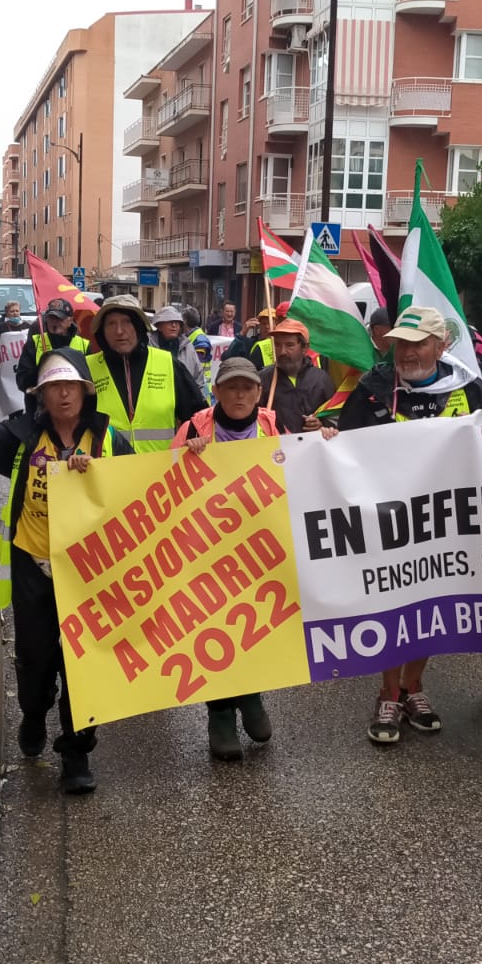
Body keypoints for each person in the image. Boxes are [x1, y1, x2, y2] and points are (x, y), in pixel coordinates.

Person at [0, 343, 131, 794]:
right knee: (36, 658)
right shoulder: (21, 439)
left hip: (91, 575)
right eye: (53, 387)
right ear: (40, 394)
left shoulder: (112, 441)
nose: (63, 395)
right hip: (33, 567)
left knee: (84, 663)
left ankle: (77, 752)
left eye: (70, 386)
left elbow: (145, 493)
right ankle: (35, 711)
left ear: (85, 391)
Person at [337, 306, 482, 745]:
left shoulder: (469, 388)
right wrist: (328, 441)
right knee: (394, 607)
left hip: (447, 525)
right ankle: (388, 692)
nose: (406, 352)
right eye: (402, 343)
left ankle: (413, 687)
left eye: (417, 343)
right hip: (389, 523)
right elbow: (343, 450)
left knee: (430, 610)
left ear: (441, 346)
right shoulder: (372, 390)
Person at [170, 356, 282, 761]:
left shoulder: (271, 424)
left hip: (258, 549)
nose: (239, 394)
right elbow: (163, 487)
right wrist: (186, 454)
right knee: (213, 633)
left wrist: (320, 439)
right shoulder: (194, 428)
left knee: (251, 626)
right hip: (207, 553)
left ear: (257, 392)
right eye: (231, 387)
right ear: (215, 391)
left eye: (247, 388)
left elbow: (298, 468)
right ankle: (219, 715)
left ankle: (250, 696)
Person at [87, 293, 207, 451]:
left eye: (127, 322)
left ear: (139, 326)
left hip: (162, 472)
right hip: (107, 473)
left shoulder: (168, 364)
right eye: (111, 323)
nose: (119, 331)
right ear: (102, 331)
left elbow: (200, 418)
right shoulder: (87, 368)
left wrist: (195, 440)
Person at [258, 317, 334, 434]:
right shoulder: (263, 379)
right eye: (277, 345)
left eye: (289, 345)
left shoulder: (321, 379)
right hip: (276, 449)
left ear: (304, 348)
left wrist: (321, 424)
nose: (282, 351)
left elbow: (334, 417)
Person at [15, 298, 80, 410]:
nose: (54, 322)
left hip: (73, 414)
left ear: (70, 321)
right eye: (51, 318)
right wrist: (40, 370)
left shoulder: (83, 345)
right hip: (39, 414)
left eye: (59, 318)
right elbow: (22, 381)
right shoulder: (35, 343)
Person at [150, 305, 207, 395]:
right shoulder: (148, 347)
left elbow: (198, 379)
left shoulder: (188, 347)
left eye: (177, 322)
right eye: (170, 322)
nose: (174, 325)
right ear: (159, 326)